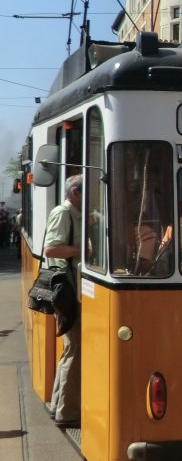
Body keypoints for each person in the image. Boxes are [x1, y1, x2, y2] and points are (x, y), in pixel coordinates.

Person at [44, 174, 83, 426]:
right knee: (74, 349)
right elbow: (51, 248)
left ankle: (58, 405)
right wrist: (84, 250)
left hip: (72, 289)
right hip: (67, 291)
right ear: (75, 193)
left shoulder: (77, 214)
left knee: (71, 349)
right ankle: (66, 412)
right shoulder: (63, 212)